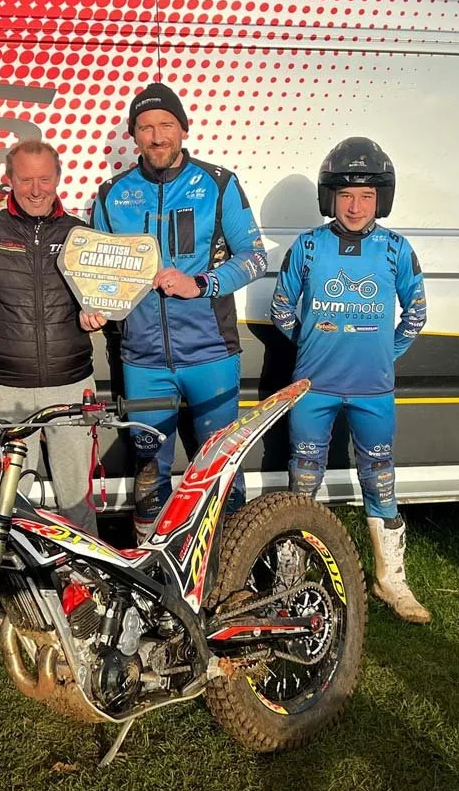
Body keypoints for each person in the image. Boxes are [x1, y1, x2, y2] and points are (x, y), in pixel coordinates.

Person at [82, 82, 268, 537]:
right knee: (149, 475)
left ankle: (231, 576)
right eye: (145, 127)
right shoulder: (112, 195)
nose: (157, 136)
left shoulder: (218, 183)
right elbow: (96, 273)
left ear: (183, 128)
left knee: (221, 472)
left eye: (166, 124)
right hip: (143, 360)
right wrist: (94, 304)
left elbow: (256, 257)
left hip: (211, 355)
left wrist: (200, 283)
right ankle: (154, 586)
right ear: (134, 136)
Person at [269, 136, 430, 624]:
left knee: (380, 483)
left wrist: (382, 352)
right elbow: (281, 308)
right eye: (345, 195)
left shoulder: (396, 249)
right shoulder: (309, 246)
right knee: (303, 485)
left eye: (366, 195)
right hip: (312, 391)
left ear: (381, 198)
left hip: (373, 391)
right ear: (329, 198)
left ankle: (392, 582)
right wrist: (316, 345)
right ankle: (288, 583)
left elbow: (416, 314)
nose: (356, 205)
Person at [0, 139, 100, 534]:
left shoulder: (81, 234)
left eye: (44, 179)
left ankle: (85, 586)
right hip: (5, 391)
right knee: (10, 504)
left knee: (77, 504)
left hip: (72, 388)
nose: (35, 189)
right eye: (25, 179)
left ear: (58, 178)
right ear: (9, 180)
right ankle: (14, 589)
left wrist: (97, 318)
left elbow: (106, 304)